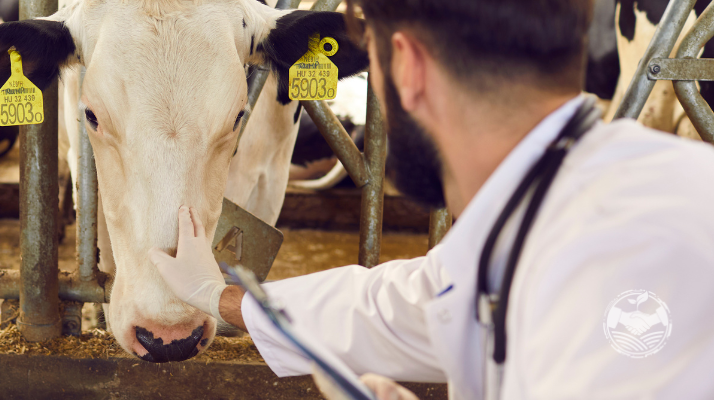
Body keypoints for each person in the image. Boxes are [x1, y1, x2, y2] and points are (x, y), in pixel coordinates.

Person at [149, 0, 714, 398]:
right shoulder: (543, 208)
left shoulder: (634, 245)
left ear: (408, 66)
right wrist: (222, 298)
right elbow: (403, 306)